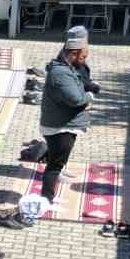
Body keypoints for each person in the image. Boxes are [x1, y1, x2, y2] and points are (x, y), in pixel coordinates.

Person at [40, 26, 100, 204]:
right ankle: (46, 199)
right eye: (82, 57)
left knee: (56, 163)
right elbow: (75, 99)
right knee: (54, 165)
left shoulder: (67, 68)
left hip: (62, 124)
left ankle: (47, 197)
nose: (84, 60)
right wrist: (88, 96)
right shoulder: (61, 73)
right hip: (60, 127)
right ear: (73, 53)